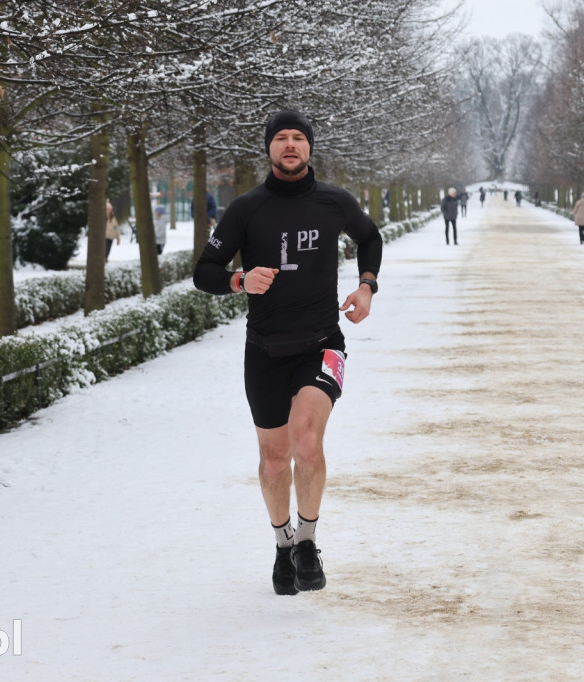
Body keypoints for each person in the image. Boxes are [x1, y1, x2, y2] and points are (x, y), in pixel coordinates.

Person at [193, 108, 383, 596]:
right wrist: (240, 280)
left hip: (321, 344)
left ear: (310, 147)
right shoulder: (246, 209)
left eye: (299, 137)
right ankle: (282, 547)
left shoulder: (334, 202)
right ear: (269, 149)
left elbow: (370, 237)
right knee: (274, 460)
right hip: (264, 351)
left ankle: (307, 541)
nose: (291, 144)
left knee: (307, 443)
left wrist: (366, 287)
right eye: (282, 138)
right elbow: (205, 270)